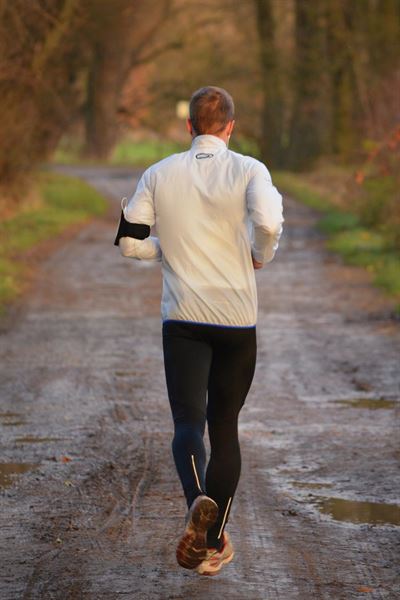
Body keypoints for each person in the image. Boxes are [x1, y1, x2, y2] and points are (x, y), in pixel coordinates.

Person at [115, 86, 283, 576]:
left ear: (188, 127)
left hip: (183, 317)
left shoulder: (159, 173)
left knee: (188, 423)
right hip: (236, 318)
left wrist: (164, 251)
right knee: (224, 426)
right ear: (231, 126)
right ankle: (210, 541)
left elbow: (128, 243)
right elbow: (269, 223)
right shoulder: (251, 169)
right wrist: (261, 254)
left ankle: (197, 505)